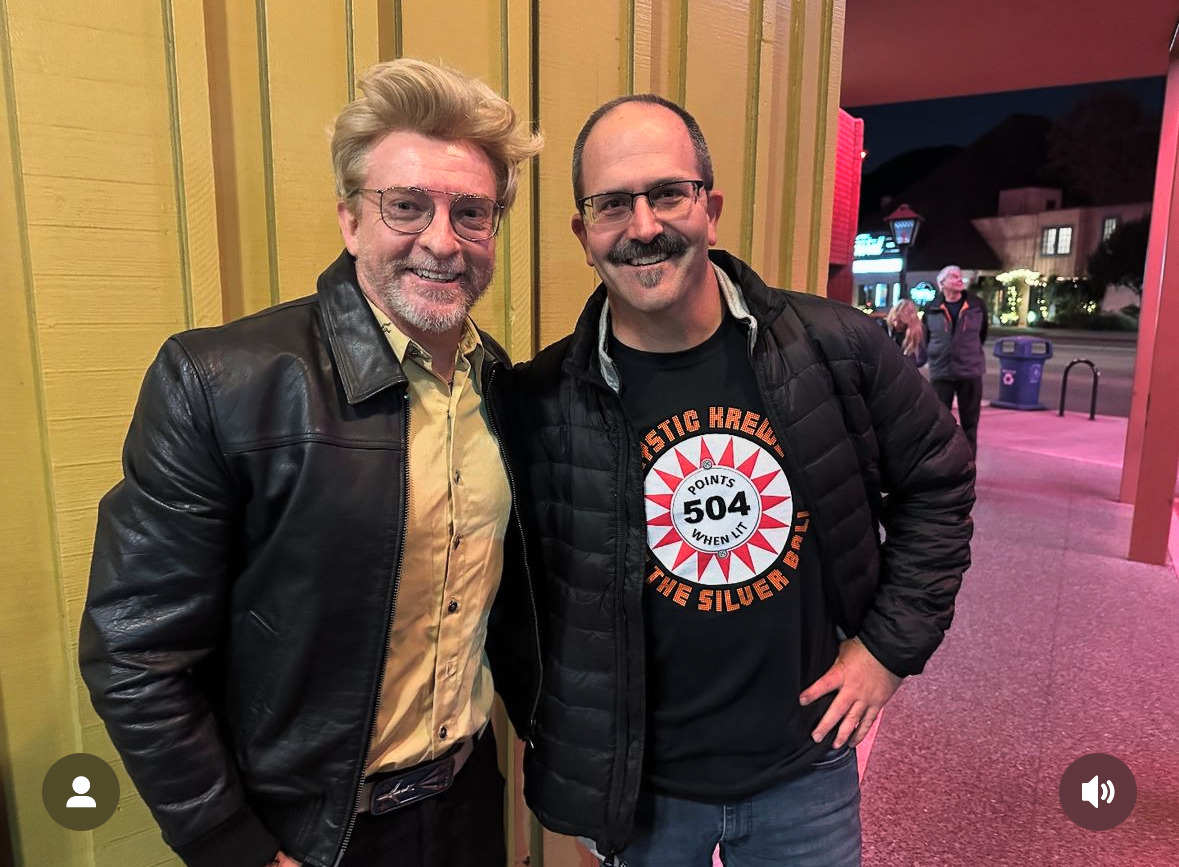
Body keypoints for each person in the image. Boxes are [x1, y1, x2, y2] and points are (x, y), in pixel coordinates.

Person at [79, 58, 541, 867]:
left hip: (468, 803)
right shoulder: (221, 382)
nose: (441, 239)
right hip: (310, 836)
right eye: (406, 206)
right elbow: (133, 651)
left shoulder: (503, 387)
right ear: (349, 219)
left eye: (471, 212)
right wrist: (237, 849)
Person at [491, 95, 975, 867]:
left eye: (667, 193)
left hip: (803, 772)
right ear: (584, 237)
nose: (644, 225)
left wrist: (887, 649)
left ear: (709, 210)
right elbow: (511, 594)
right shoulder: (540, 397)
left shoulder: (838, 348)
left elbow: (938, 484)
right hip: (638, 792)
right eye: (612, 204)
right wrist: (565, 741)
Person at [923, 265, 988, 457]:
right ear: (942, 283)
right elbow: (926, 338)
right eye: (953, 276)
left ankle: (968, 464)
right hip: (942, 372)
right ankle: (943, 463)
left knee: (970, 423)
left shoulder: (977, 305)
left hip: (970, 371)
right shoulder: (932, 307)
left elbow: (982, 335)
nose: (959, 279)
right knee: (940, 423)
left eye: (960, 276)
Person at [885, 297, 926, 366]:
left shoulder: (917, 332)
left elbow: (920, 360)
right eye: (894, 320)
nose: (896, 324)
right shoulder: (885, 328)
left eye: (900, 322)